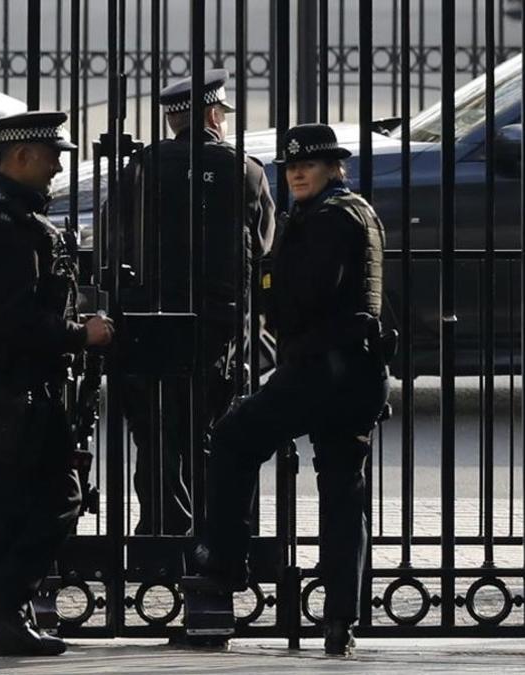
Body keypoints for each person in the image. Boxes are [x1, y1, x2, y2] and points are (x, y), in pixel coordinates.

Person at [191, 123, 390, 657]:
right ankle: (340, 619)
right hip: (358, 368)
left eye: (309, 165)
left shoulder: (325, 219)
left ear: (333, 168)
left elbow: (304, 295)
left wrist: (269, 282)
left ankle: (224, 567)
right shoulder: (354, 211)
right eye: (291, 166)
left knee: (234, 438)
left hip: (320, 368)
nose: (297, 173)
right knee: (343, 486)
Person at [0, 111, 115, 656]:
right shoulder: (0, 224)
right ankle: (2, 597)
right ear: (21, 155)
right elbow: (17, 320)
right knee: (62, 497)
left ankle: (6, 620)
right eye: (51, 156)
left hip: (17, 378)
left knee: (10, 498)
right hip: (21, 379)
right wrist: (84, 334)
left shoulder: (8, 215)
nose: (57, 167)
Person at [117, 69, 275, 535]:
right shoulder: (244, 169)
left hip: (152, 315)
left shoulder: (141, 167)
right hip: (218, 321)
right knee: (208, 427)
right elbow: (263, 244)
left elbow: (115, 241)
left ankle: (159, 526)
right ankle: (212, 531)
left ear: (173, 120)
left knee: (154, 427)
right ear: (213, 113)